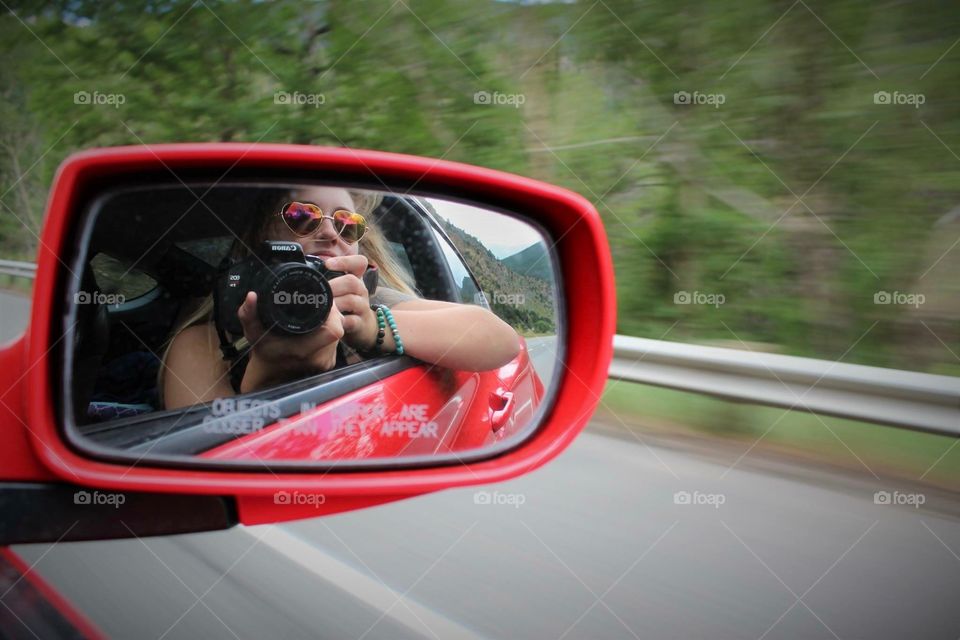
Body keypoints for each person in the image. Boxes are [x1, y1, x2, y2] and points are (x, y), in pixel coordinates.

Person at [159, 186, 521, 410]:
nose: (331, 232)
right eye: (303, 216)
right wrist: (265, 377)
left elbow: (499, 340)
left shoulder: (367, 303)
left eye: (348, 225)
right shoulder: (209, 340)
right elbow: (213, 463)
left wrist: (372, 329)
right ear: (259, 236)